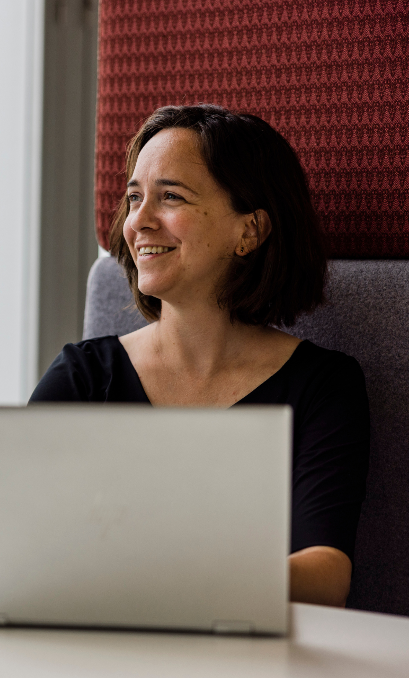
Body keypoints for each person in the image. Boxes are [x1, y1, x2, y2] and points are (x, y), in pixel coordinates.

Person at [30, 104, 369, 608]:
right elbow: (14, 541)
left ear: (250, 231)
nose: (138, 221)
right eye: (134, 197)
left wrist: (147, 574)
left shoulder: (323, 385)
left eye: (170, 196)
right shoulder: (82, 377)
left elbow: (325, 578)